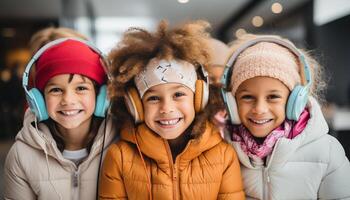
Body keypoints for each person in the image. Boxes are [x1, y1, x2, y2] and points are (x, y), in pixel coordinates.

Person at [99, 20, 245, 199]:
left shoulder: (224, 156)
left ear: (199, 97)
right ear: (135, 104)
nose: (166, 108)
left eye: (178, 95)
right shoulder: (119, 157)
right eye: (153, 98)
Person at [221, 34, 350, 199]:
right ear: (232, 102)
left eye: (273, 97)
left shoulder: (327, 152)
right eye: (247, 97)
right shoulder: (224, 151)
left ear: (295, 101)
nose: (259, 109)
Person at [4, 38, 116, 200]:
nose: (68, 100)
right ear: (39, 100)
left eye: (81, 88)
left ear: (101, 96)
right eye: (56, 90)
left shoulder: (120, 147)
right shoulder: (21, 156)